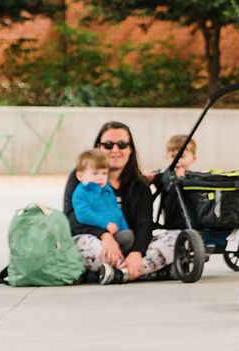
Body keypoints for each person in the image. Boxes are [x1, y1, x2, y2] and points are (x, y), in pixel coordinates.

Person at [63, 121, 180, 285]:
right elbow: (71, 218)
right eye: (108, 145)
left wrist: (137, 253)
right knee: (83, 244)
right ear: (99, 147)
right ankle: (146, 272)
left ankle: (120, 273)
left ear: (130, 149)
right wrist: (104, 235)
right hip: (98, 243)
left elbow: (144, 223)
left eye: (123, 144)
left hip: (129, 242)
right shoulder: (82, 178)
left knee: (177, 238)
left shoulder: (140, 185)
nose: (115, 150)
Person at [70, 149, 133, 253]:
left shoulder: (107, 189)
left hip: (114, 232)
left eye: (104, 173)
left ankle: (120, 261)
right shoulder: (81, 193)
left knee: (129, 237)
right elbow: (83, 214)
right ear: (80, 176)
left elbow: (116, 212)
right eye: (95, 173)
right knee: (93, 248)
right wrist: (105, 224)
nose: (100, 177)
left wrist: (123, 228)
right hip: (94, 234)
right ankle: (108, 265)